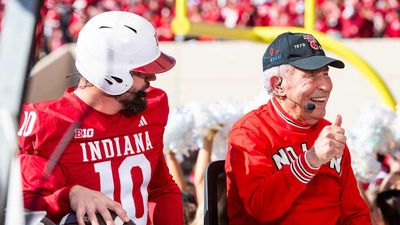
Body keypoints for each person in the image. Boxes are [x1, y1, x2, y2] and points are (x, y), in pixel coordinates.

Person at [17, 11, 183, 225]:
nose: (152, 77)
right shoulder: (50, 124)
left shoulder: (152, 106)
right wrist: (70, 195)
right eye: (142, 72)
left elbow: (160, 187)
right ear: (113, 75)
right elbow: (24, 207)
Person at [225, 32, 372, 225]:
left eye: (326, 74)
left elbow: (354, 213)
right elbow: (261, 208)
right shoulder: (250, 132)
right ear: (277, 85)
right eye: (311, 75)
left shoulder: (328, 132)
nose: (326, 86)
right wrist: (311, 160)